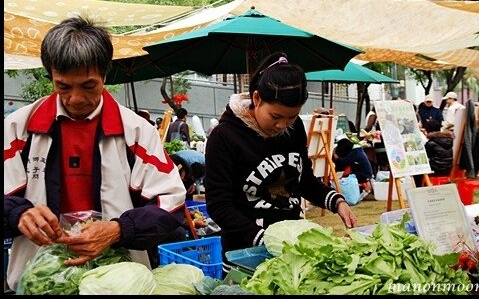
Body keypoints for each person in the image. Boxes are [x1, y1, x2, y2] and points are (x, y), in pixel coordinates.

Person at [3, 16, 187, 289]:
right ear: (51, 76)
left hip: (118, 283)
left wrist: (118, 230)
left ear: (104, 75)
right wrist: (17, 215)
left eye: (88, 85)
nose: (75, 98)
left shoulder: (136, 132)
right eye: (63, 86)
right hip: (39, 279)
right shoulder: (19, 129)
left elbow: (171, 202)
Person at [204, 52, 358, 278]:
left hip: (291, 250)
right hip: (245, 255)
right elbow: (219, 205)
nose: (281, 125)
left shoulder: (293, 130)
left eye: (291, 117)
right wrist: (264, 239)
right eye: (275, 116)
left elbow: (303, 180)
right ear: (257, 99)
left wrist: (337, 202)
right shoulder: (224, 137)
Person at [413, 119, 454, 187]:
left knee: (417, 171)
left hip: (436, 169)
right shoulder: (448, 141)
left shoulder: (431, 143)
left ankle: (419, 189)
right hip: (447, 169)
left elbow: (425, 158)